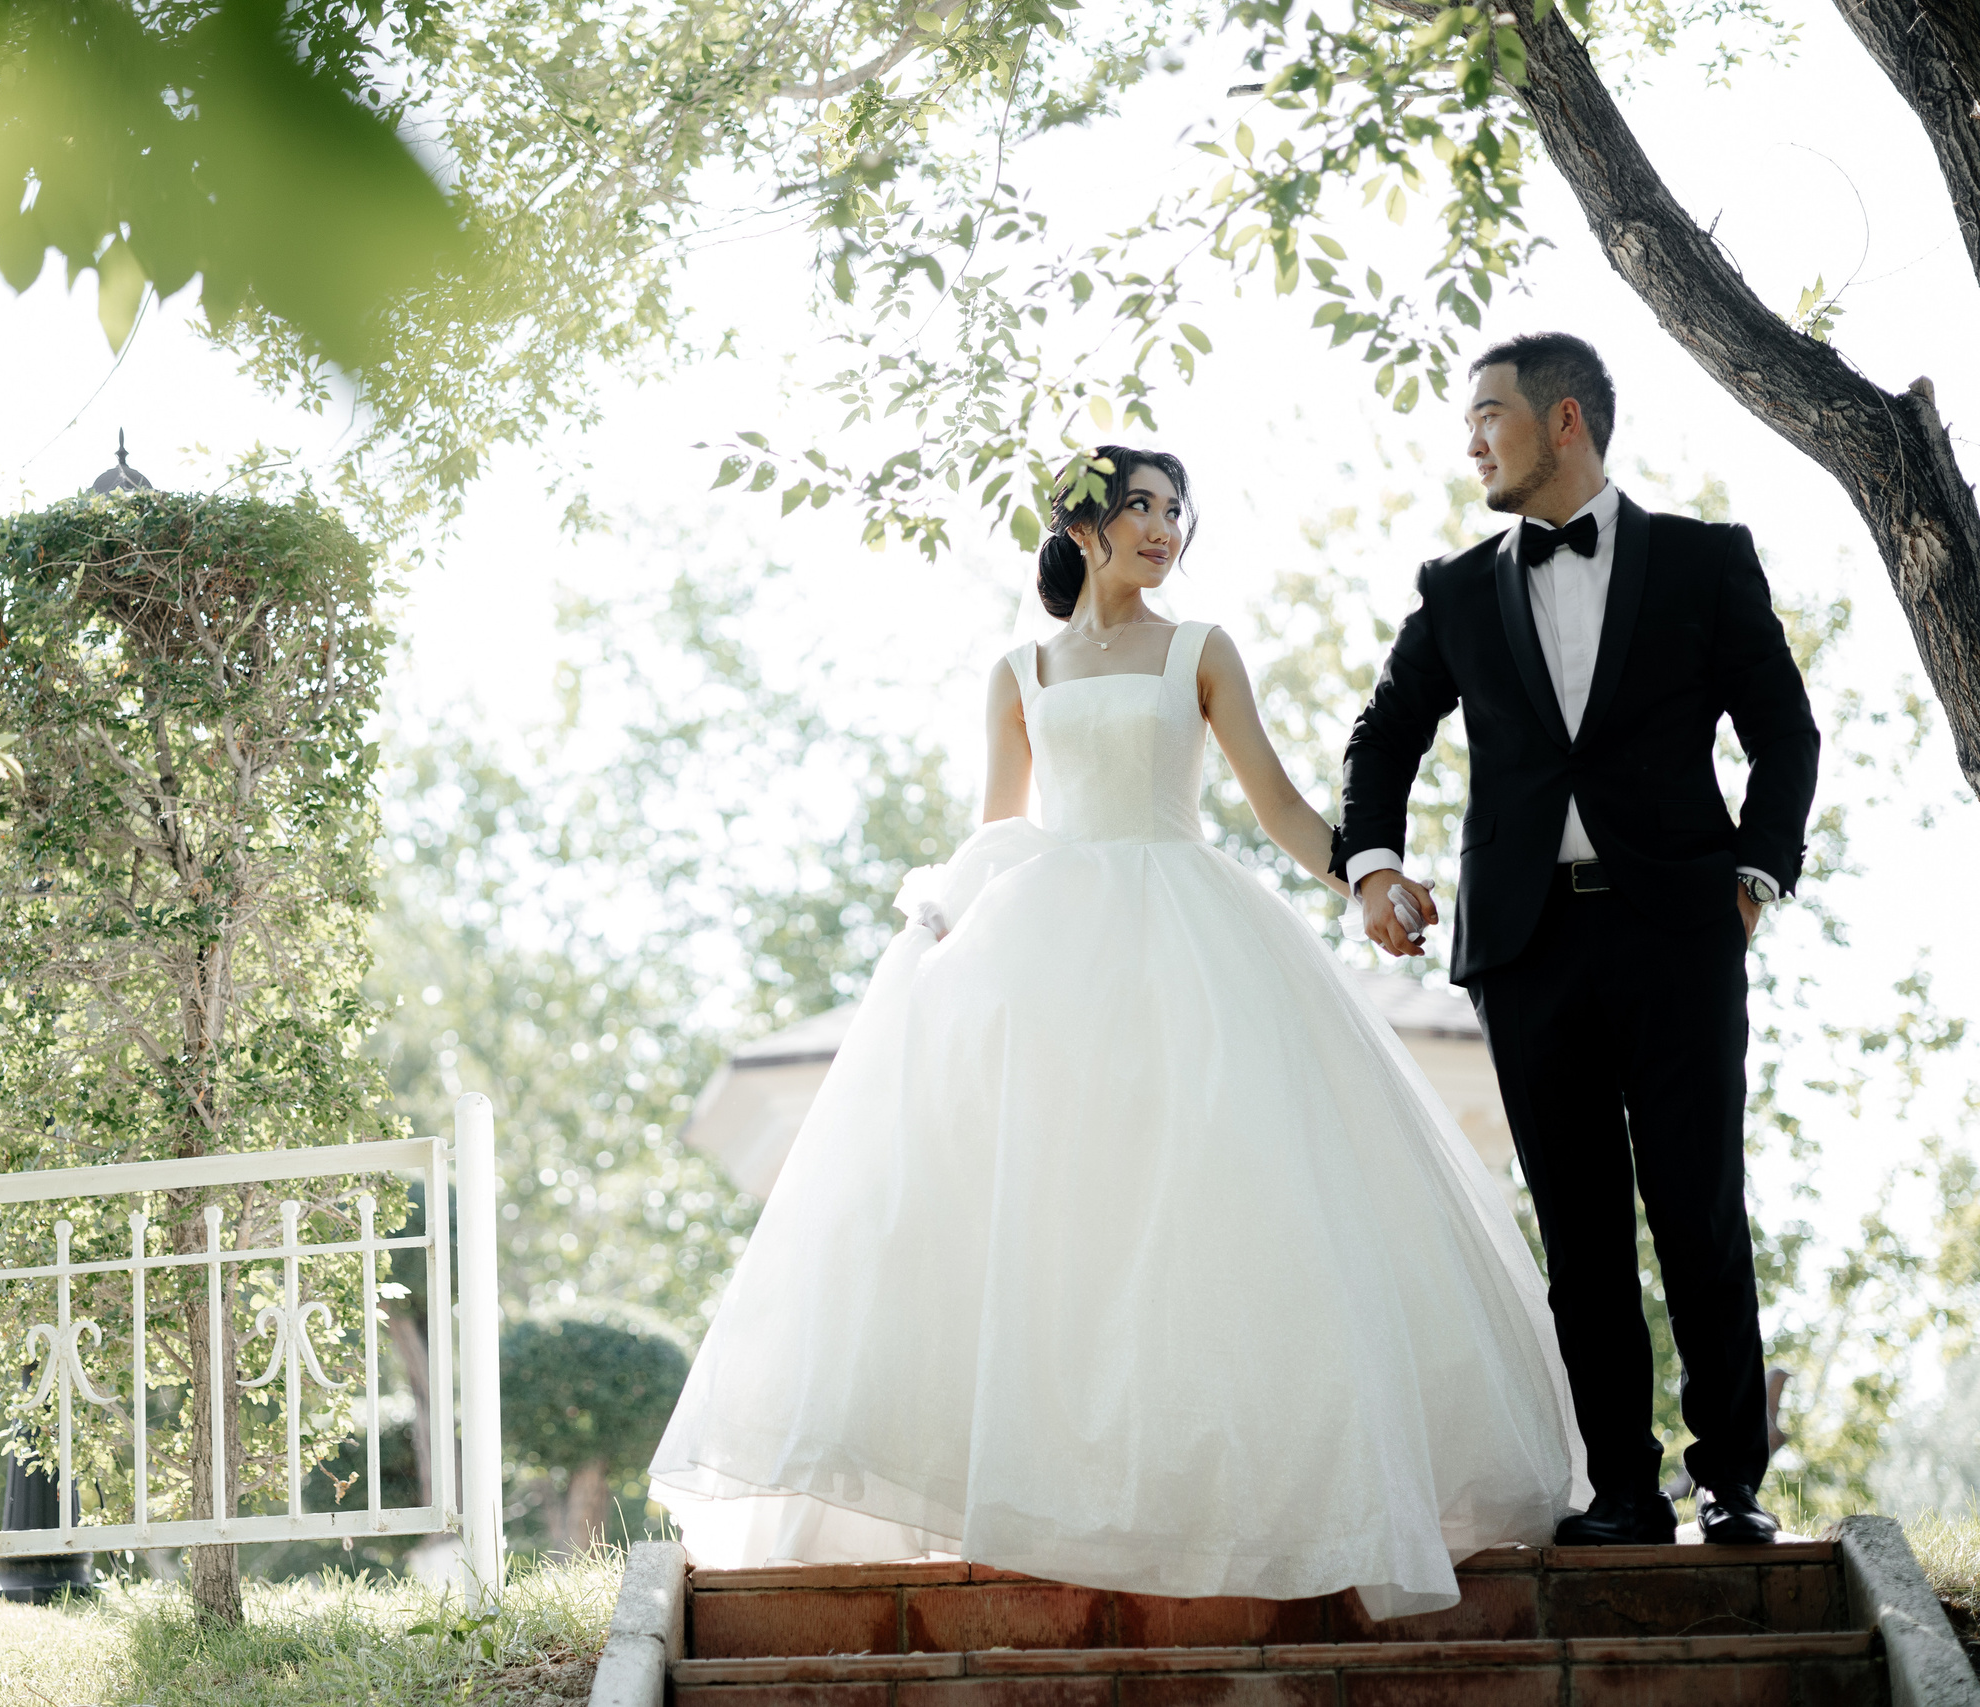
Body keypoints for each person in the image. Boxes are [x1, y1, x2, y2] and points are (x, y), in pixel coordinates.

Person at [648, 446, 1586, 1619]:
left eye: (1176, 510)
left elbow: (1281, 803)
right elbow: (997, 831)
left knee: (1206, 1209)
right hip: (1048, 946)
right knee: (1044, 1217)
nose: (1164, 526)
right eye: (1141, 506)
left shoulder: (1201, 651)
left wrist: (1366, 880)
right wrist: (942, 946)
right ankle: (1045, 1494)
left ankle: (1217, 1494)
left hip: (1194, 937)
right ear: (1084, 525)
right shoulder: (1019, 671)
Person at [1335, 332, 1818, 1548]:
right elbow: (1382, 735)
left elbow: (1784, 731)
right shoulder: (1453, 588)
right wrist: (1374, 863)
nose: (1470, 440)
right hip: (1524, 946)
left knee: (1698, 1209)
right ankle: (1620, 1491)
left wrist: (1754, 877)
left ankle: (1733, 1484)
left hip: (1679, 933)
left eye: (1486, 414)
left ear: (1562, 422)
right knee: (1580, 1231)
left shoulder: (1705, 562)